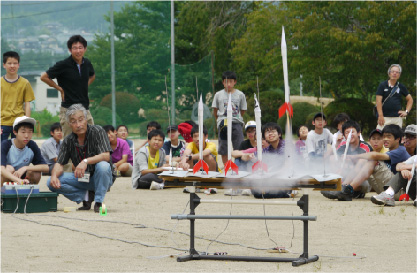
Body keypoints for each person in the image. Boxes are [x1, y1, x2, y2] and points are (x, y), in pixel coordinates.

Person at [47, 104, 113, 213]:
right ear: (69, 124)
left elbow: (106, 156)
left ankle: (99, 201)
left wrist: (85, 161)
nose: (78, 124)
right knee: (50, 182)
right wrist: (54, 176)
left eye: (81, 120)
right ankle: (86, 197)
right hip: (83, 178)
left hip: (102, 177)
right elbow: (59, 164)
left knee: (103, 166)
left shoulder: (98, 131)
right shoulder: (68, 140)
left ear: (86, 119)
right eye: (73, 121)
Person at [40, 35, 95, 137]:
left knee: (92, 139)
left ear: (85, 49)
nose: (78, 51)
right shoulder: (63, 65)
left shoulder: (87, 63)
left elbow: (92, 75)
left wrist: (84, 86)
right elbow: (44, 77)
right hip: (68, 108)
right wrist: (59, 89)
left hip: (84, 107)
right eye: (75, 48)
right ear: (70, 50)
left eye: (80, 48)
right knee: (70, 143)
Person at [337, 124, 410, 201]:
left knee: (372, 160)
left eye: (389, 137)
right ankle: (344, 187)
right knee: (365, 161)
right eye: (384, 136)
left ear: (398, 139)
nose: (385, 139)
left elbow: (375, 156)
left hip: (400, 191)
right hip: (387, 190)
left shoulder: (401, 150)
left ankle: (348, 190)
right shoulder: (390, 151)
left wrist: (355, 156)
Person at [322, 121, 373, 200]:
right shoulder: (343, 145)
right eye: (347, 132)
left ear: (359, 133)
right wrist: (336, 145)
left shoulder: (365, 147)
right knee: (333, 159)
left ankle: (342, 189)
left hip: (361, 181)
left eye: (352, 132)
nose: (350, 134)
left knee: (361, 161)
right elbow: (331, 160)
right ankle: (339, 188)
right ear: (344, 135)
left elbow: (366, 167)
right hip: (345, 177)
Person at [212, 71, 247, 165]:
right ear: (223, 82)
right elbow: (215, 109)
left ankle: (238, 167)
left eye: (231, 81)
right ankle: (227, 167)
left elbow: (242, 110)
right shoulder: (218, 95)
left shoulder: (240, 95)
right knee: (223, 147)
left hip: (236, 122)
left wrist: (237, 118)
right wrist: (219, 120)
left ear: (234, 82)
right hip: (223, 122)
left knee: (239, 145)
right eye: (226, 82)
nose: (228, 84)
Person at [1, 117, 48, 184]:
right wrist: (18, 180)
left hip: (23, 177)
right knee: (9, 168)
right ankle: (3, 193)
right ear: (15, 132)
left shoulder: (31, 145)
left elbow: (46, 167)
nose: (26, 135)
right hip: (7, 177)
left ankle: (28, 193)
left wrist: (25, 168)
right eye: (23, 132)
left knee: (36, 172)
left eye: (30, 132)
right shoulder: (6, 145)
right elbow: (1, 169)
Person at [1, 51, 35, 141]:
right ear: (4, 65)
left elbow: (27, 104)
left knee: (18, 150)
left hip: (19, 122)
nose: (12, 66)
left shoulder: (25, 83)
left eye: (15, 63)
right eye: (9, 63)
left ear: (18, 65)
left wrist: (26, 123)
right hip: (2, 122)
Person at [376, 64, 413, 130]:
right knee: (380, 136)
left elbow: (410, 99)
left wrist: (406, 111)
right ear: (389, 73)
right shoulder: (382, 85)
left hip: (397, 118)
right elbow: (378, 101)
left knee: (396, 138)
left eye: (397, 72)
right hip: (384, 117)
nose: (394, 73)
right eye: (393, 71)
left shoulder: (401, 86)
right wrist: (380, 115)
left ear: (399, 75)